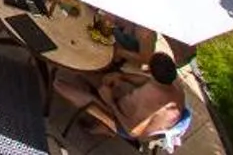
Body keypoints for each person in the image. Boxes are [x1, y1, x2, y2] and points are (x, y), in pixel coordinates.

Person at [55, 52, 188, 144]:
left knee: (60, 86)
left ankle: (107, 127)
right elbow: (147, 81)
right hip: (127, 105)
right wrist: (123, 77)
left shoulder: (152, 105)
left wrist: (110, 101)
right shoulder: (173, 82)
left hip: (124, 123)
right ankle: (102, 123)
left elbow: (133, 132)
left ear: (152, 72)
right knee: (90, 74)